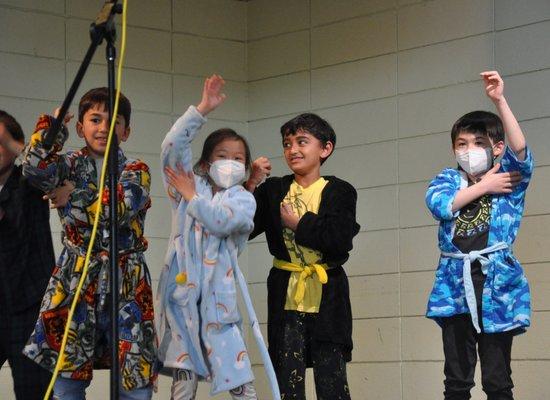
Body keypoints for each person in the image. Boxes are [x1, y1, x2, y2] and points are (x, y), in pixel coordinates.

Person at [22, 88, 156, 399]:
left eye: (114, 121)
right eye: (95, 119)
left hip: (126, 282)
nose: (104, 127)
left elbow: (116, 211)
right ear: (81, 127)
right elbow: (33, 168)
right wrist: (51, 130)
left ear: (126, 131)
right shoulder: (67, 163)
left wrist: (71, 197)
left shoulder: (136, 170)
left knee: (134, 381)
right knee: (67, 381)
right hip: (76, 281)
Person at [425, 71, 534, 400]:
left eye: (478, 143)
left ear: (496, 147)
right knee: (456, 379)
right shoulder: (448, 178)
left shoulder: (508, 178)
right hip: (454, 286)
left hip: (497, 287)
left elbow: (521, 149)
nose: (468, 150)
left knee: (497, 380)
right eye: (461, 144)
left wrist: (499, 100)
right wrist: (484, 186)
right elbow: (440, 205)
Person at [156, 75, 265, 399]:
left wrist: (193, 198)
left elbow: (220, 221)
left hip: (220, 309)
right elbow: (171, 149)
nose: (229, 163)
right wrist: (202, 109)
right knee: (184, 382)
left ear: (245, 168)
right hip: (183, 303)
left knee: (239, 381)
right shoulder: (189, 185)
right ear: (205, 162)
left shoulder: (243, 200)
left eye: (238, 158)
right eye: (221, 155)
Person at [245, 112, 360, 400]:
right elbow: (241, 226)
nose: (292, 149)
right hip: (286, 292)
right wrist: (251, 183)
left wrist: (300, 224)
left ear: (325, 148)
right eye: (287, 143)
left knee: (331, 375)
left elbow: (339, 238)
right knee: (286, 377)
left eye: (302, 141)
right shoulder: (273, 191)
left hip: (327, 292)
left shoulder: (340, 191)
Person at [0, 110, 57, 399]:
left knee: (33, 392)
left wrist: (50, 124)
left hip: (30, 307)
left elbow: (43, 153)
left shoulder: (29, 182)